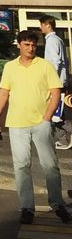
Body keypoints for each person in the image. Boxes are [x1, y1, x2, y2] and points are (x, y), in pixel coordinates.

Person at [0, 28, 70, 224]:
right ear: (18, 45)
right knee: (21, 166)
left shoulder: (44, 66)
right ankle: (27, 207)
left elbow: (56, 92)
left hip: (40, 123)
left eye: (34, 45)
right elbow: (3, 93)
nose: (31, 48)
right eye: (26, 44)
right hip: (17, 123)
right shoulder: (10, 67)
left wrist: (47, 117)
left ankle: (57, 203)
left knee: (50, 165)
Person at [39, 16, 71, 150]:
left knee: (55, 113)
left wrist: (52, 80)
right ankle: (63, 140)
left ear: (47, 25)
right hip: (62, 81)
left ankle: (64, 138)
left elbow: (56, 62)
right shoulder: (58, 40)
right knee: (58, 112)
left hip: (56, 82)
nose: (40, 28)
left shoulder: (52, 41)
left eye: (41, 25)